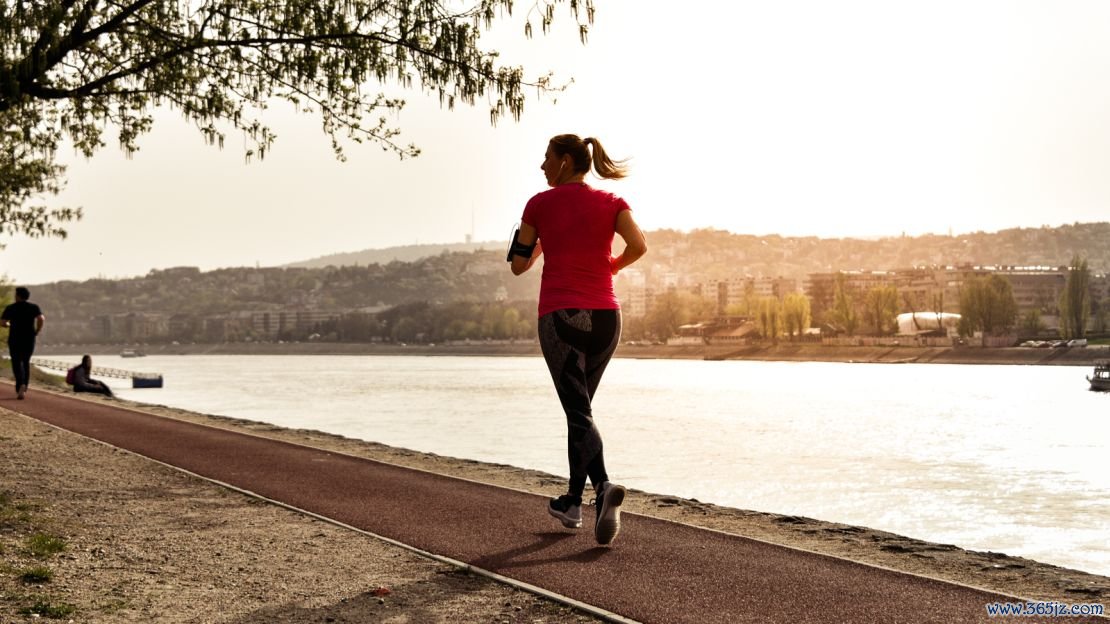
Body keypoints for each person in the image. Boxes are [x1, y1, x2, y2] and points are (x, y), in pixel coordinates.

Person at [508, 134, 648, 546]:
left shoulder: (538, 204)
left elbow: (518, 266)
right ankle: (572, 501)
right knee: (580, 410)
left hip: (563, 317)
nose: (542, 166)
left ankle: (603, 487)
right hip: (608, 317)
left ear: (565, 162)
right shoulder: (612, 203)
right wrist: (614, 266)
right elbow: (639, 246)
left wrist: (530, 245)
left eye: (547, 158)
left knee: (578, 411)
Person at [1, 286, 45, 400]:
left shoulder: (11, 308)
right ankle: (24, 387)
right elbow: (41, 319)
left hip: (15, 338)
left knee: (16, 362)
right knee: (25, 362)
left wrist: (9, 325)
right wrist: (37, 330)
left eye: (15, 294)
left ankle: (20, 384)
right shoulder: (34, 307)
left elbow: (3, 322)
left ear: (18, 296)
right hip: (29, 338)